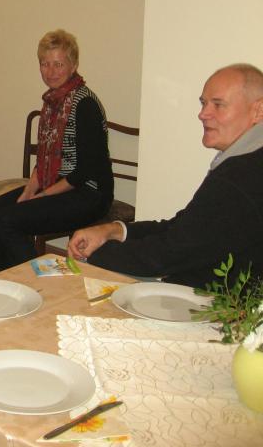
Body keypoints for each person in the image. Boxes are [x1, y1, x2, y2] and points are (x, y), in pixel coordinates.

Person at [68, 64, 263, 288]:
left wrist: (96, 253)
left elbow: (167, 254)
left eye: (218, 105)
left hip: (217, 303)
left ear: (258, 110)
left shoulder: (239, 177)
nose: (202, 114)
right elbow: (183, 228)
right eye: (203, 103)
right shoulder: (249, 161)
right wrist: (113, 230)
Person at [0, 29, 114, 275]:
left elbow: (85, 171)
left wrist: (43, 196)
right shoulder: (52, 103)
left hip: (88, 194)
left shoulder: (85, 104)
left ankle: (42, 283)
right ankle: (0, 282)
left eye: (58, 64)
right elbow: (44, 157)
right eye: (45, 64)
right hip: (57, 185)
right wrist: (30, 190)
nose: (51, 71)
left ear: (73, 65)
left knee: (7, 221)